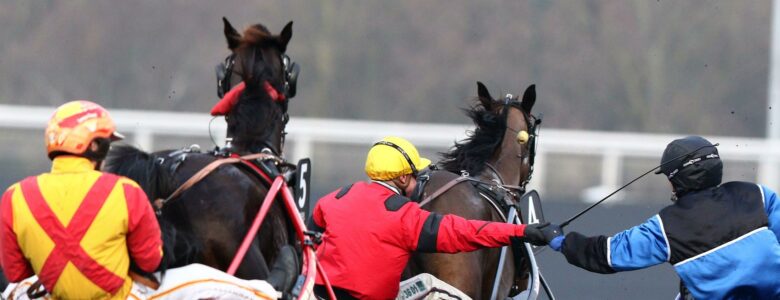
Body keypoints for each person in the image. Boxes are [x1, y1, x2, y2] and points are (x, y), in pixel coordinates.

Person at [309, 136, 561, 300]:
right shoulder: (406, 217)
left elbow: (308, 249)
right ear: (403, 178)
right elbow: (468, 232)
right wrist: (524, 231)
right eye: (417, 174)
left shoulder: (332, 199)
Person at [547, 136, 780, 299]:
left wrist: (561, 242)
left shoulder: (666, 226)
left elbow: (609, 255)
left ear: (677, 179)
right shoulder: (757, 194)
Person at [0, 100, 163, 299]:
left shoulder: (14, 196)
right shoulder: (126, 190)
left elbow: (17, 273)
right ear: (95, 146)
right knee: (210, 281)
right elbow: (150, 261)